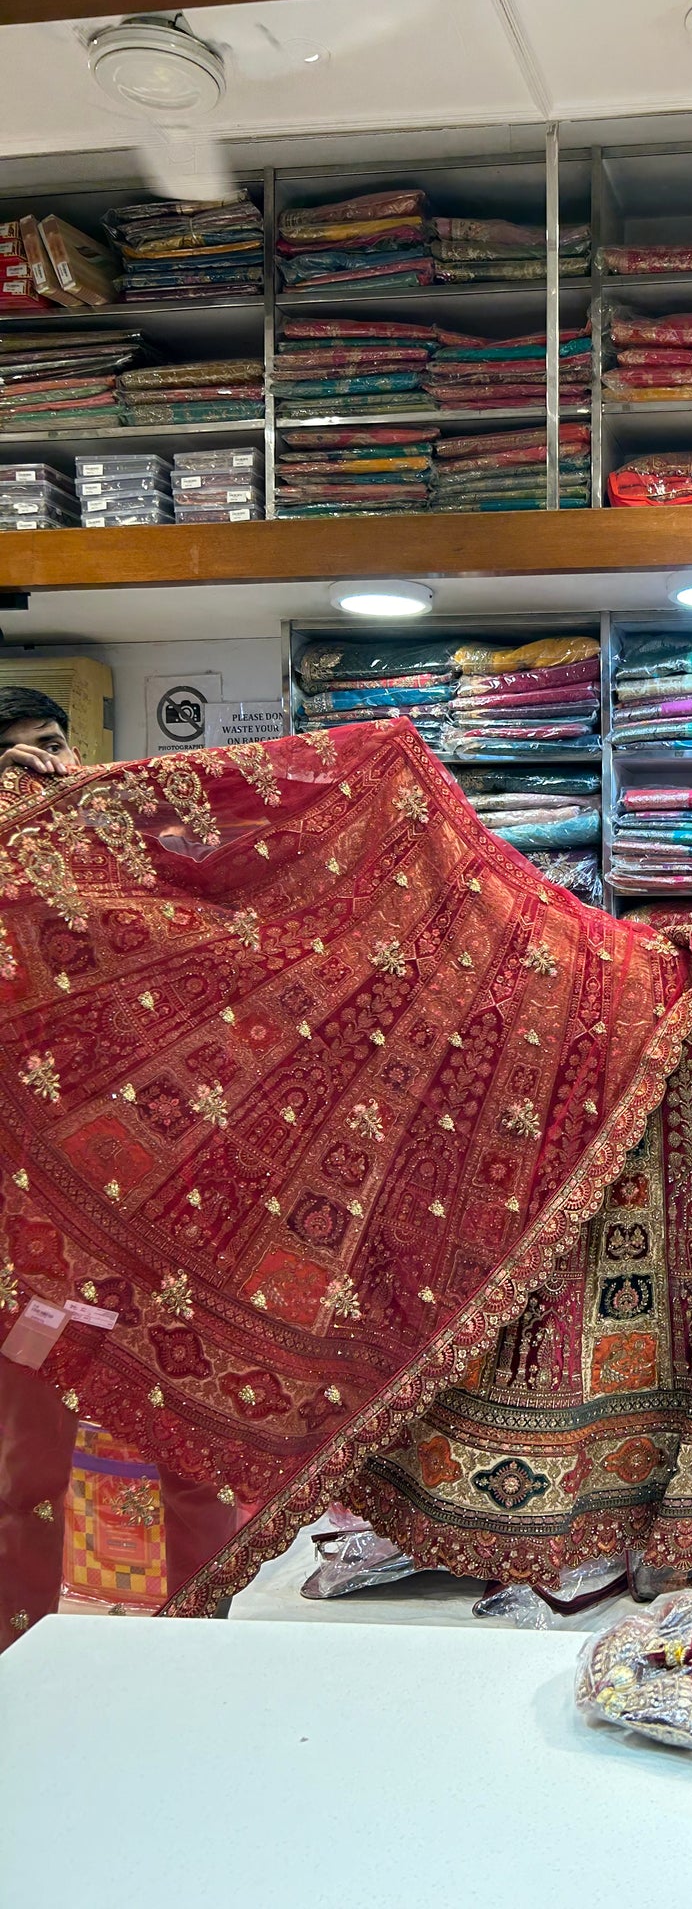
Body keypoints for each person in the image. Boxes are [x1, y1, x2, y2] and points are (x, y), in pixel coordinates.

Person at [0, 688, 238, 1640]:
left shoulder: (134, 860)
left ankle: (203, 1639)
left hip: (158, 1195)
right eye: (14, 759)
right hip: (30, 1223)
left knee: (192, 1437)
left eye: (52, 748)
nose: (39, 771)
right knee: (27, 1453)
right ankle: (20, 1650)